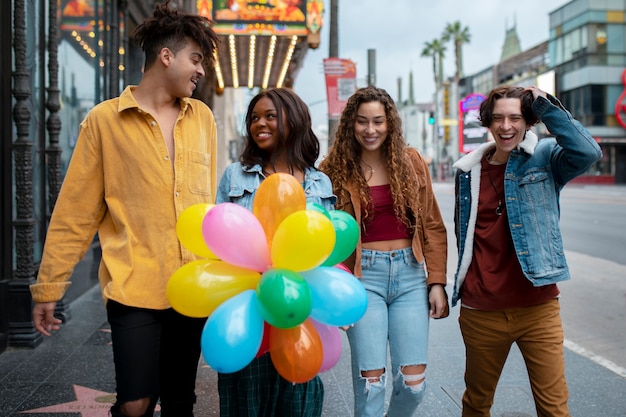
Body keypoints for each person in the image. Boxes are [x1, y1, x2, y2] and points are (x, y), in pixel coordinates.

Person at [30, 2, 220, 416]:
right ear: (166, 56)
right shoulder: (103, 121)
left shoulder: (203, 118)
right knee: (134, 403)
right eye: (196, 58)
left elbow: (211, 208)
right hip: (134, 284)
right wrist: (50, 287)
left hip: (192, 286)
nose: (201, 70)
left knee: (179, 401)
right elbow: (74, 211)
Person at [451, 85, 602, 417]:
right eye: (499, 118)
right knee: (477, 404)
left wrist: (547, 107)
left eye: (516, 118)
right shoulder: (468, 172)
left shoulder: (545, 158)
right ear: (488, 122)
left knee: (554, 408)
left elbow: (588, 153)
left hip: (538, 309)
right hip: (482, 311)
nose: (507, 126)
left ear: (528, 122)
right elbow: (466, 238)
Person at [318, 86, 449, 417]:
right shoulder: (333, 170)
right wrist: (336, 294)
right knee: (370, 385)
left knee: (413, 385)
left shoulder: (412, 163)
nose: (370, 129)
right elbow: (323, 234)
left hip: (410, 275)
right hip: (363, 280)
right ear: (351, 124)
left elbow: (432, 225)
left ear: (389, 123)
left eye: (378, 121)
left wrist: (436, 282)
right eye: (362, 122)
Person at [215, 87, 336, 416]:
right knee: (245, 401)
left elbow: (326, 248)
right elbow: (218, 242)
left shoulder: (320, 183)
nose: (259, 124)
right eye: (254, 118)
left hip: (300, 311)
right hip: (246, 309)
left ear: (293, 121)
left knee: (298, 401)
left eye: (270, 116)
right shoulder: (235, 175)